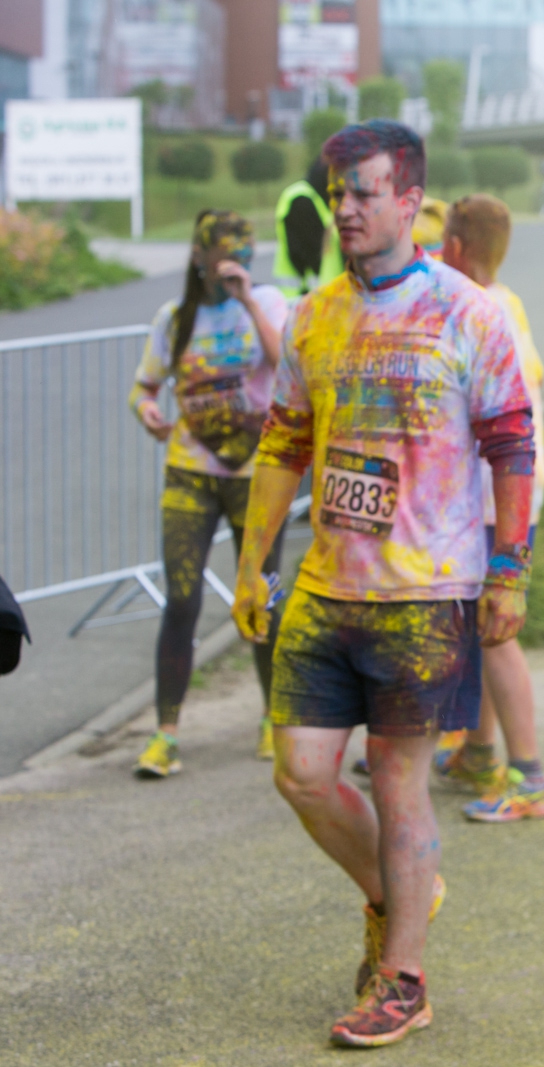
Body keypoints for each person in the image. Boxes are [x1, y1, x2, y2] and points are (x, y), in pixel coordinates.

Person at [231, 119, 535, 1048]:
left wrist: (509, 571)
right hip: (327, 587)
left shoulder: (468, 311)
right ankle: (398, 889)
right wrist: (252, 560)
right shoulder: (315, 316)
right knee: (303, 772)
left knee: (399, 778)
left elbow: (511, 444)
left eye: (364, 192)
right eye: (337, 194)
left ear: (411, 199)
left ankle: (403, 975)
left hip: (426, 588)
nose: (347, 209)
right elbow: (284, 440)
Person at [129, 209, 289, 777]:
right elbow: (145, 386)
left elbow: (285, 364)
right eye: (222, 256)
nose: (233, 266)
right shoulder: (175, 318)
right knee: (182, 600)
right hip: (190, 472)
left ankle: (274, 718)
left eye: (242, 256)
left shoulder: (268, 304)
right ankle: (165, 734)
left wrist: (245, 300)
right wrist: (148, 409)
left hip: (257, 478)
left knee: (260, 599)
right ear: (199, 258)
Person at [432, 192, 544, 823]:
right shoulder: (505, 301)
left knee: (497, 630)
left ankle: (530, 777)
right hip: (514, 488)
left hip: (491, 495)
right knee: (486, 627)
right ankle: (480, 750)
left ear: (454, 248)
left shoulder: (472, 310)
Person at [274, 160, 343, 294]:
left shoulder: (320, 199)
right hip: (303, 296)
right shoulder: (302, 200)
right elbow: (306, 252)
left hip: (322, 296)